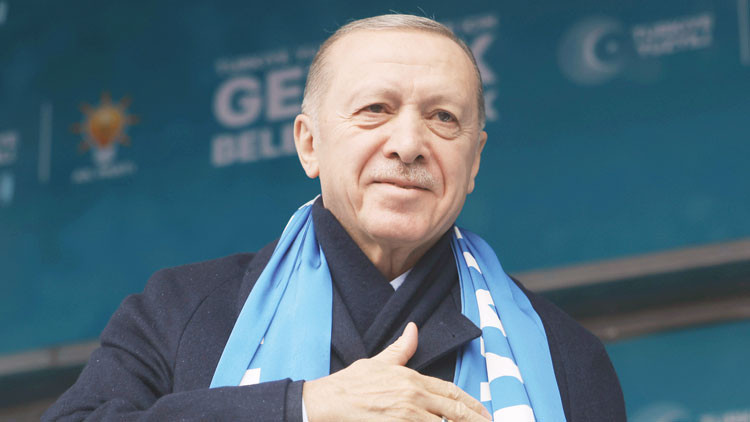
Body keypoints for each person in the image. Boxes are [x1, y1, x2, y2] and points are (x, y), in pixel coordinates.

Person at [44, 14, 626, 422]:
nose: (409, 144)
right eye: (375, 109)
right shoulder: (182, 311)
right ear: (309, 144)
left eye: (444, 118)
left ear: (473, 161)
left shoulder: (563, 355)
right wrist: (301, 408)